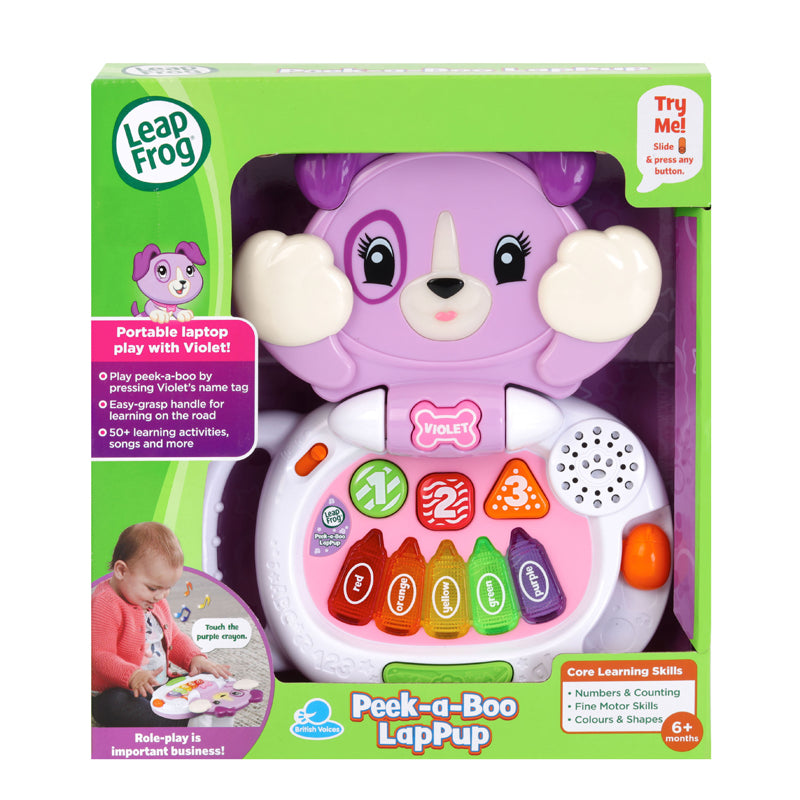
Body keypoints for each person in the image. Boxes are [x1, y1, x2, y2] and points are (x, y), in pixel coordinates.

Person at [92, 522, 230, 726]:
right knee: (114, 705)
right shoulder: (105, 603)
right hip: (119, 690)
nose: (161, 596)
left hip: (160, 685)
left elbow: (175, 638)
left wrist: (195, 659)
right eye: (153, 588)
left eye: (168, 588)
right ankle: (181, 724)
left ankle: (205, 709)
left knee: (198, 681)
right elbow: (100, 656)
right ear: (121, 571)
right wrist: (133, 675)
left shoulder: (156, 602)